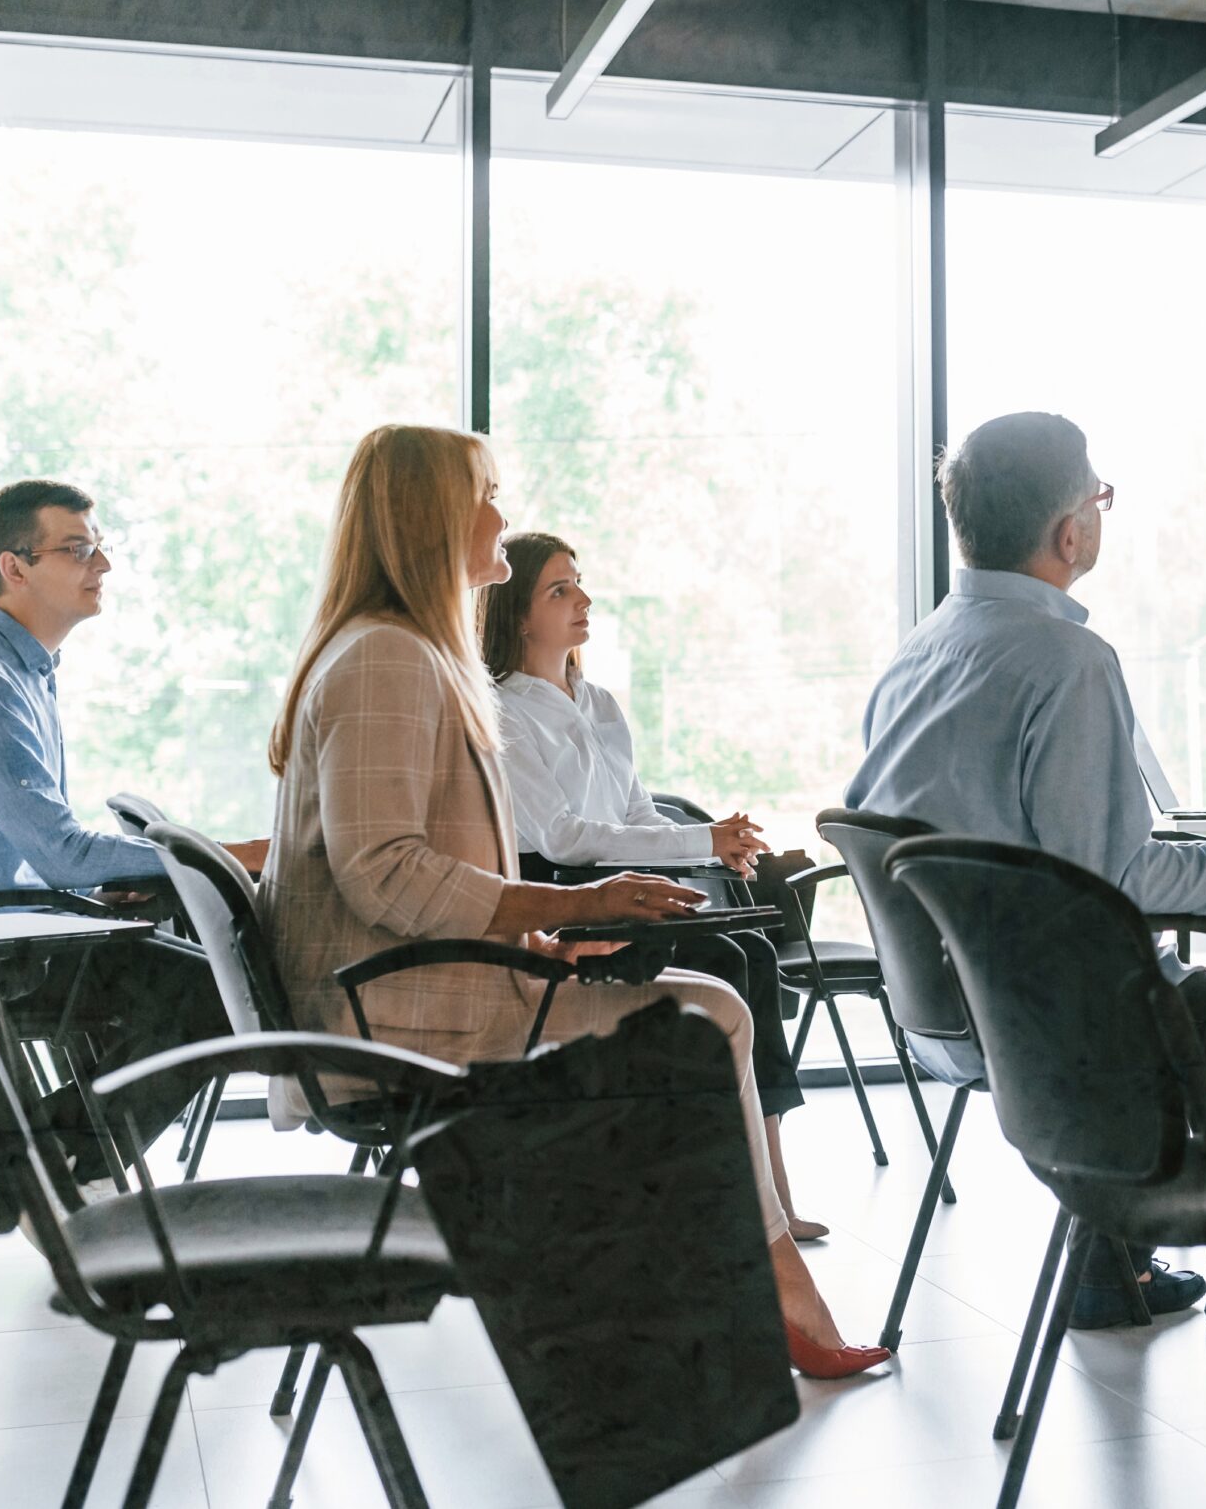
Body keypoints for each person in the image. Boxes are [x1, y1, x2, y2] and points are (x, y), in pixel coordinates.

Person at [260, 424, 884, 1378]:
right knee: (709, 1015)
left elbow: (403, 869)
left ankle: (719, 1292)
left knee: (704, 1003)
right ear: (433, 518)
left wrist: (541, 936)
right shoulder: (388, 659)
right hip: (404, 1019)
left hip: (410, 990)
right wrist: (567, 907)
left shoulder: (393, 651)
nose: (504, 522)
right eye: (489, 494)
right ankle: (759, 1290)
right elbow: (381, 870)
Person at [846, 410, 1206, 1334]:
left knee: (1150, 981)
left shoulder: (915, 655)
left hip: (952, 1012)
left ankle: (1108, 1276)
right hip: (1052, 1027)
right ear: (1072, 531)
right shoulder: (1066, 661)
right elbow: (1109, 877)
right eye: (1098, 497)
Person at [0, 478, 238, 1181]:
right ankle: (47, 1155)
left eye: (99, 547)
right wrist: (213, 862)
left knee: (188, 962)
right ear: (15, 568)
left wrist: (115, 879)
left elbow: (45, 850)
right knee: (216, 990)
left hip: (9, 929)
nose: (102, 566)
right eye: (78, 549)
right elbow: (61, 851)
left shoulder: (22, 672)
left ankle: (59, 1148)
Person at [481, 529, 828, 1242]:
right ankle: (729, 1196)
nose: (583, 599)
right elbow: (564, 838)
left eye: (578, 582)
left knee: (756, 957)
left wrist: (711, 854)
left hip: (626, 884)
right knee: (730, 963)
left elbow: (637, 813)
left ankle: (770, 1192)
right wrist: (700, 839)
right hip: (562, 897)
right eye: (560, 590)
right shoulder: (503, 711)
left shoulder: (599, 702)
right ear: (519, 615)